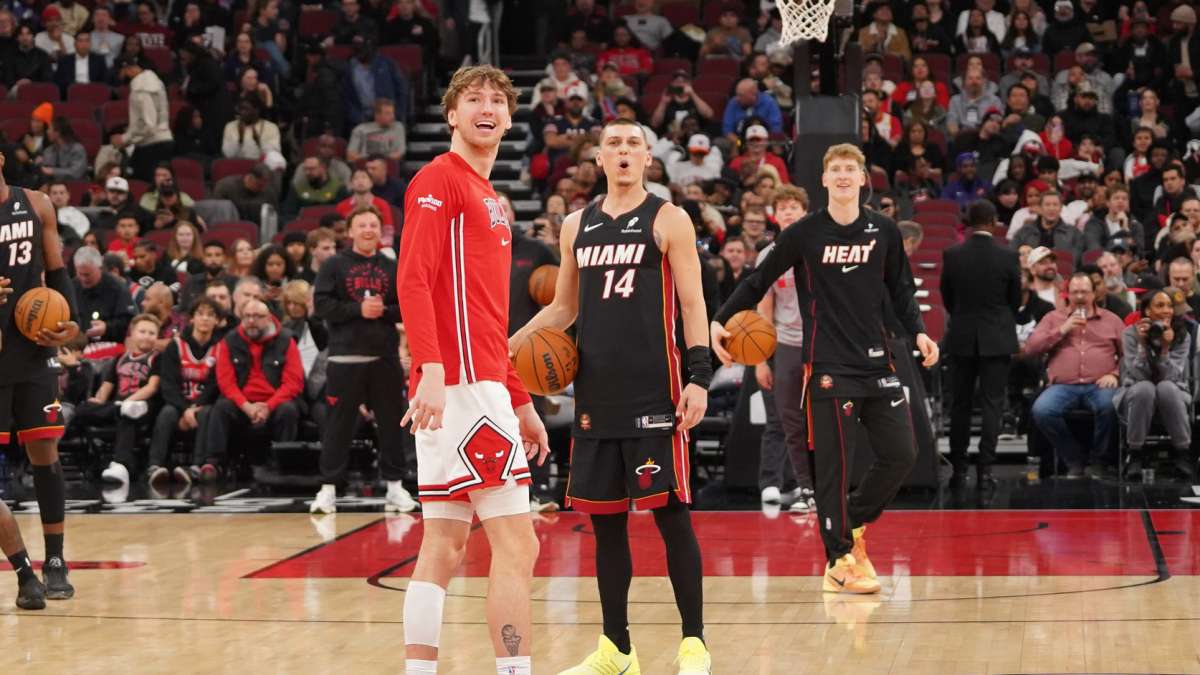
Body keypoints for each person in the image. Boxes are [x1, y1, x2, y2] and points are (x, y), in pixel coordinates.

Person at [509, 117, 711, 672]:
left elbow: (693, 303)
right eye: (613, 144)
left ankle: (694, 644)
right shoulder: (577, 224)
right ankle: (617, 650)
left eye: (633, 144)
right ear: (598, 158)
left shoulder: (669, 219)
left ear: (648, 157)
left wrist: (699, 376)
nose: (623, 151)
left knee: (672, 517)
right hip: (596, 396)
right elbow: (563, 307)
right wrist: (507, 347)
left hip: (657, 392)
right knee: (606, 524)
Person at [711, 143, 939, 594]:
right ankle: (839, 560)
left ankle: (849, 521)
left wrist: (919, 332)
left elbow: (901, 291)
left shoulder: (884, 230)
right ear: (824, 179)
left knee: (902, 453)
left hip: (877, 360)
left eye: (850, 169)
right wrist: (721, 318)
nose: (843, 176)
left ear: (862, 179)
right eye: (835, 169)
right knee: (834, 468)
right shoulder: (804, 233)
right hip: (828, 365)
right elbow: (757, 280)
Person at [396, 65, 547, 675]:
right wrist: (431, 367)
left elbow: (487, 316)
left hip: (477, 385)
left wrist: (521, 401)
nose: (487, 108)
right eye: (473, 99)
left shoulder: (490, 198)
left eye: (497, 101)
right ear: (452, 114)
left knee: (444, 543)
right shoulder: (440, 179)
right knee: (518, 543)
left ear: (509, 119)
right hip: (460, 388)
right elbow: (413, 278)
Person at [0, 150, 83, 606]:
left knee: (44, 451)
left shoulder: (35, 204)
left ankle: (55, 560)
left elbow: (57, 271)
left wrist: (71, 324)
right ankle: (22, 572)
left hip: (33, 349)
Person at [310, 205, 415, 514]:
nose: (368, 230)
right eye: (362, 225)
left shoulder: (392, 266)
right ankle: (328, 489)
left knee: (392, 424)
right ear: (350, 231)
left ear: (380, 231)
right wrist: (358, 309)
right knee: (338, 426)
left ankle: (395, 487)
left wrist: (384, 311)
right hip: (345, 358)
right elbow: (322, 305)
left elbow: (408, 306)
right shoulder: (333, 265)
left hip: (385, 357)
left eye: (373, 225)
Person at [942, 200, 1021, 489]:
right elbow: (1014, 300)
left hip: (962, 336)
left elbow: (947, 297)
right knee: (992, 405)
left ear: (969, 222)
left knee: (960, 405)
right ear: (993, 221)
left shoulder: (952, 255)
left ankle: (958, 470)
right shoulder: (1008, 256)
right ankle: (985, 471)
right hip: (997, 338)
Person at [1025, 273, 1124, 478]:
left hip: (1100, 384)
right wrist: (1062, 329)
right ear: (1067, 294)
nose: (1079, 296)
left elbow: (1128, 356)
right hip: (1063, 385)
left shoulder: (1112, 320)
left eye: (1084, 292)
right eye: (1075, 292)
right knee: (1042, 410)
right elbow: (1031, 348)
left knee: (1110, 406)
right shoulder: (1053, 318)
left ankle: (1100, 461)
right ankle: (1073, 459)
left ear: (1094, 294)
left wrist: (1115, 374)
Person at [754, 185, 814, 512]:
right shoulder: (768, 256)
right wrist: (760, 360)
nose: (788, 212)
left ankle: (822, 487)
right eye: (782, 208)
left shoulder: (819, 246)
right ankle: (802, 487)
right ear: (774, 216)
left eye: (794, 207)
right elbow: (764, 310)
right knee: (788, 420)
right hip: (786, 343)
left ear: (804, 211)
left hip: (822, 344)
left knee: (823, 420)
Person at [199, 298, 303, 480]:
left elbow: (293, 383)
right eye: (247, 316)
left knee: (288, 410)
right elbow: (226, 383)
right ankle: (214, 463)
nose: (251, 321)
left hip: (274, 402)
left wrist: (268, 406)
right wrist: (246, 406)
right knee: (221, 407)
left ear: (269, 318)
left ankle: (281, 464)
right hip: (242, 403)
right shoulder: (229, 341)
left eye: (257, 316)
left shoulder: (286, 341)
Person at [1116, 287, 1194, 480]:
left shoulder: (1182, 335)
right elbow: (1138, 374)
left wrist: (1165, 348)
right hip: (1136, 392)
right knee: (1146, 388)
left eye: (1169, 306)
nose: (1166, 310)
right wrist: (1143, 345)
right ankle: (1135, 454)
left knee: (1165, 388)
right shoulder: (1130, 334)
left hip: (1174, 391)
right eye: (1160, 305)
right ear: (1147, 311)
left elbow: (1171, 376)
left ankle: (1183, 453)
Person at [79, 314, 161, 487]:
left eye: (152, 333)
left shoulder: (157, 358)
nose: (147, 336)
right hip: (117, 406)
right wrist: (98, 401)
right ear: (132, 333)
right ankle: (117, 410)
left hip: (143, 405)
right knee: (82, 410)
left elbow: (152, 387)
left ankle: (121, 465)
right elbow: (107, 385)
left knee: (128, 414)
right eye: (142, 332)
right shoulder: (120, 358)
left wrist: (129, 402)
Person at [148, 296, 220, 487]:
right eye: (200, 314)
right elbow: (168, 385)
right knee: (167, 412)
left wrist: (195, 408)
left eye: (210, 315)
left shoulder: (221, 348)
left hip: (203, 405)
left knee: (207, 413)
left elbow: (215, 385)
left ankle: (197, 467)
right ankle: (155, 466)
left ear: (217, 321)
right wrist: (185, 409)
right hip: (179, 404)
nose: (205, 318)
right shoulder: (176, 345)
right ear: (192, 319)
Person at [112, 56, 174, 183]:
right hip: (162, 141)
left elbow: (148, 124)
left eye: (121, 73)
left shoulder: (141, 88)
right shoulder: (154, 81)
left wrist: (124, 139)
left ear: (126, 69)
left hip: (152, 145)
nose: (121, 77)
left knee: (143, 183)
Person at [347, 98, 407, 162]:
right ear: (377, 115)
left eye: (393, 113)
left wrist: (380, 161)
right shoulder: (360, 130)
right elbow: (350, 156)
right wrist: (370, 161)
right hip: (365, 165)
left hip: (389, 165)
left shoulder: (398, 127)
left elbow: (399, 153)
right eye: (388, 113)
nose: (392, 116)